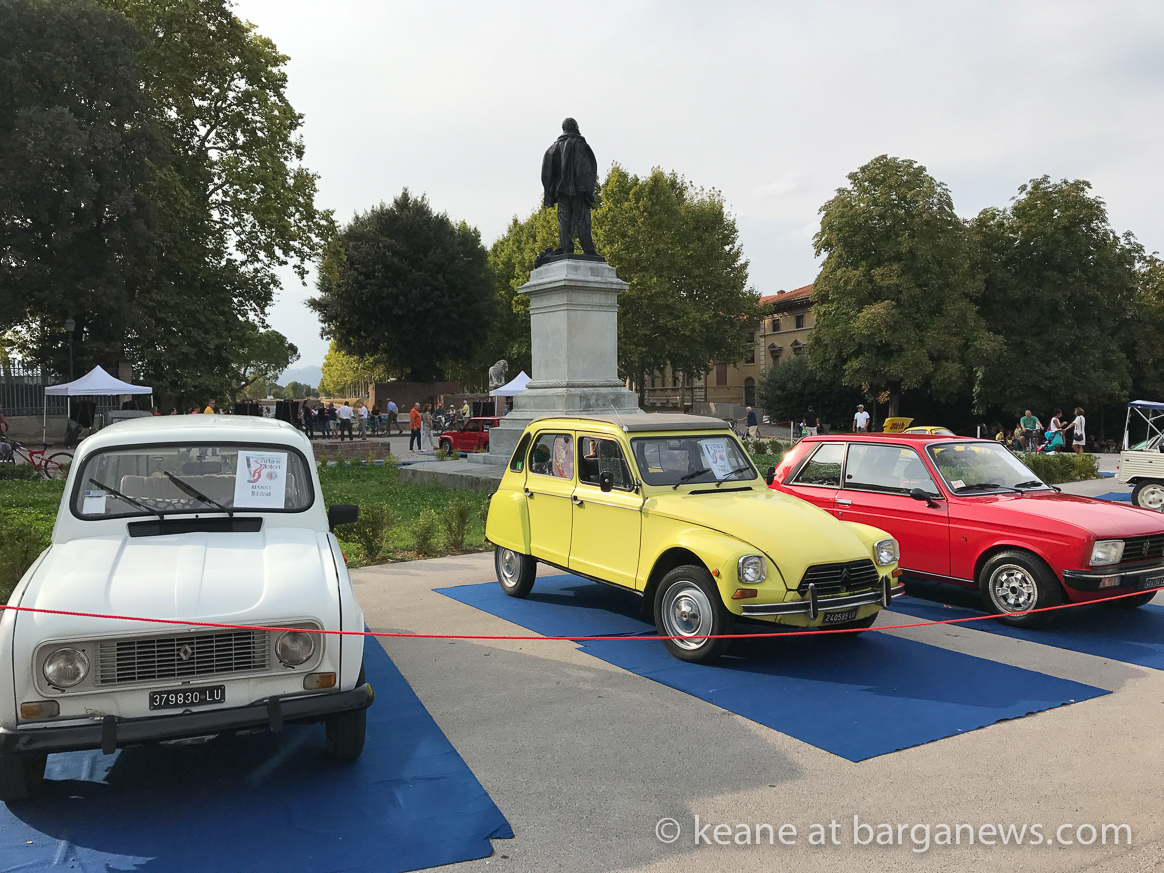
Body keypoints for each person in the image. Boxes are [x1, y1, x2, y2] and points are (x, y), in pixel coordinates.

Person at [541, 118, 599, 257]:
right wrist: (587, 191)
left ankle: (566, 248)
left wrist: (550, 192)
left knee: (564, 221)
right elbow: (587, 170)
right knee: (583, 220)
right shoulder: (581, 146)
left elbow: (546, 174)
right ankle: (588, 250)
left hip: (561, 192)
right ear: (576, 127)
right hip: (579, 190)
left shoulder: (552, 149)